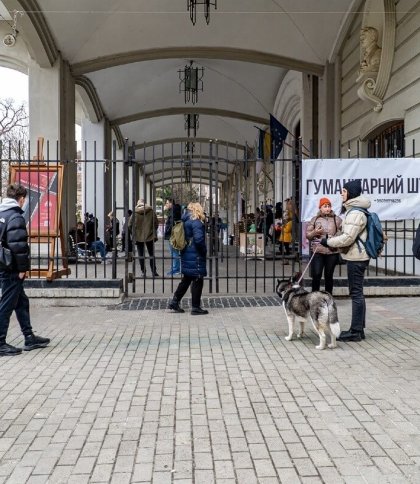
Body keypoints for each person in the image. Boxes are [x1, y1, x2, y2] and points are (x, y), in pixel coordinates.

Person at [0, 184, 50, 356]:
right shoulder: (15, 217)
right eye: (24, 200)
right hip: (12, 268)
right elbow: (18, 246)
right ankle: (0, 343)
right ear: (21, 199)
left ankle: (29, 337)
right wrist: (22, 269)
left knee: (21, 302)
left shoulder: (2, 214)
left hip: (4, 265)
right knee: (6, 305)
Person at [320, 179, 370, 342]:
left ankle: (355, 331)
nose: (341, 193)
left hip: (356, 258)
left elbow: (348, 238)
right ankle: (359, 330)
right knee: (358, 293)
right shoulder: (355, 210)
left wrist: (328, 242)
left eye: (344, 191)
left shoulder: (355, 213)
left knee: (356, 293)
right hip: (356, 256)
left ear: (351, 193)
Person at [168, 202, 208, 315]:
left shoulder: (185, 221)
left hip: (187, 252)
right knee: (198, 279)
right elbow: (199, 240)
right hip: (195, 255)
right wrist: (204, 251)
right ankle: (195, 307)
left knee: (187, 279)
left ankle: (175, 301)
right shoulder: (196, 222)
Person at [306, 197, 342, 294]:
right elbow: (308, 235)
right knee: (316, 274)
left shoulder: (337, 219)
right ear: (320, 208)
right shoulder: (315, 219)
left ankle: (328, 296)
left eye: (329, 206)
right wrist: (315, 232)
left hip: (332, 251)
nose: (327, 208)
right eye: (325, 206)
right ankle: (314, 296)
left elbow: (343, 233)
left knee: (329, 275)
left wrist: (333, 237)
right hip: (318, 251)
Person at [129, 199, 159, 277]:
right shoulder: (151, 211)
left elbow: (129, 225)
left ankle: (143, 272)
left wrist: (134, 233)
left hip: (138, 236)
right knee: (151, 254)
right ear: (145, 203)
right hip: (150, 235)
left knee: (141, 255)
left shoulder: (134, 213)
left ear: (138, 204)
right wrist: (153, 230)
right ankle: (154, 271)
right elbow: (156, 223)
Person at [164, 198, 182, 275]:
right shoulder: (174, 210)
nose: (166, 204)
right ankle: (175, 268)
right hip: (173, 234)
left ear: (171, 203)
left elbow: (172, 223)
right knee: (174, 252)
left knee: (174, 252)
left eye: (167, 203)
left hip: (172, 234)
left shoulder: (173, 211)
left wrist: (167, 231)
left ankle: (176, 269)